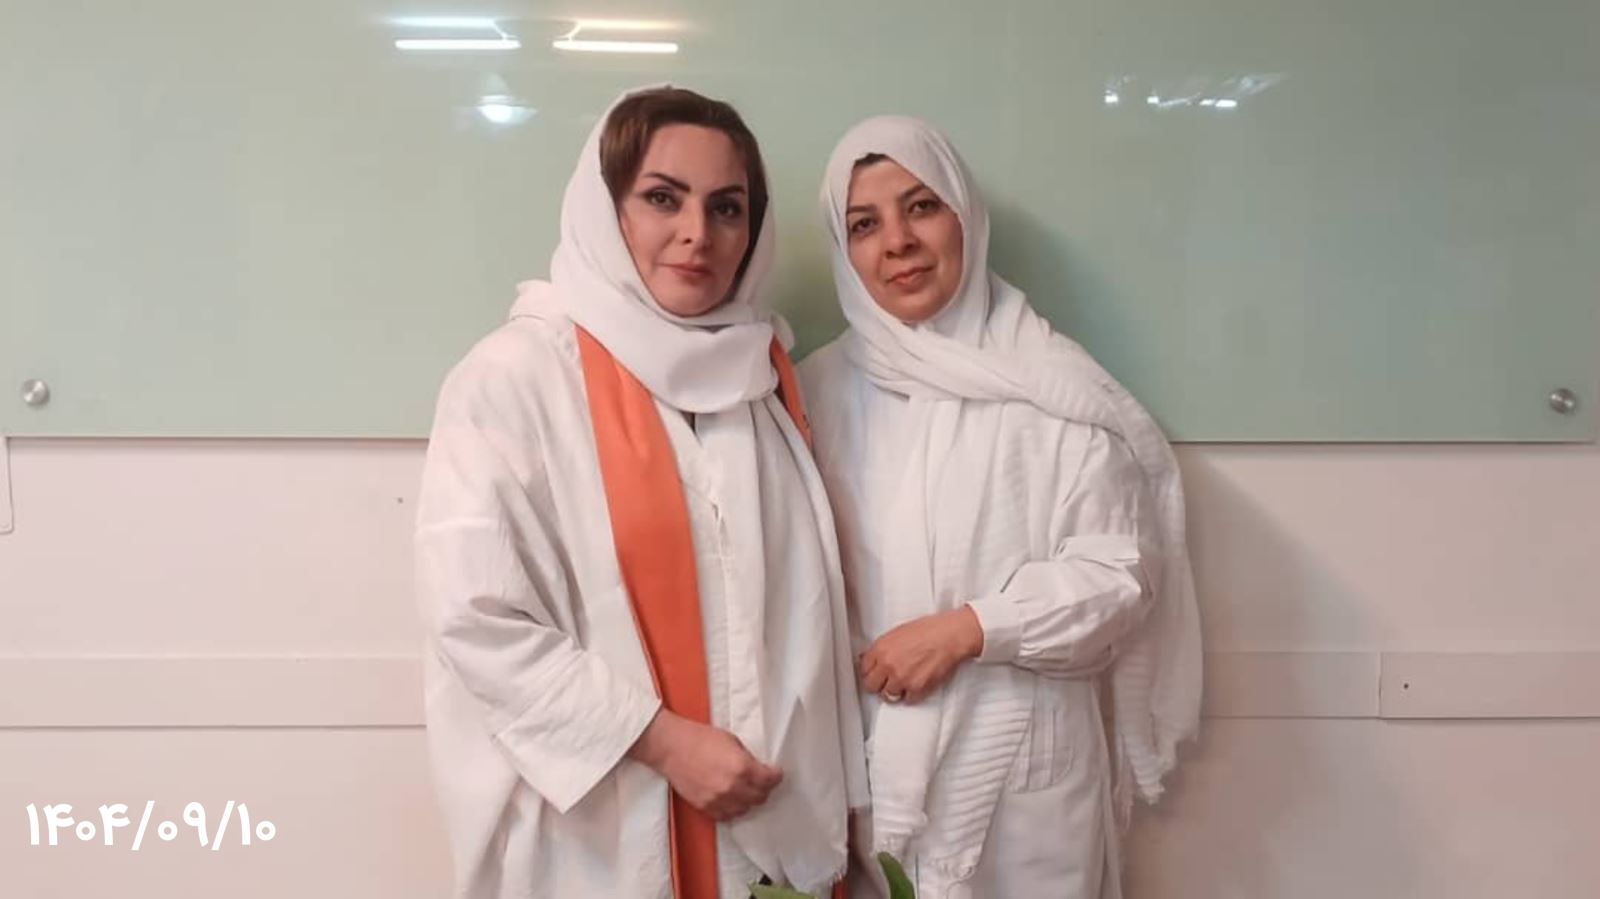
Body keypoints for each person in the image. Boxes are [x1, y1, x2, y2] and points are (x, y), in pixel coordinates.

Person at [415, 85, 867, 899]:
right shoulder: (518, 377)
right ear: (606, 208)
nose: (698, 233)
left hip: (764, 818)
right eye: (663, 198)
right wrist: (664, 742)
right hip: (604, 831)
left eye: (727, 207)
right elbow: (475, 617)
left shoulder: (759, 382)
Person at [798, 116, 1201, 898]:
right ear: (843, 249)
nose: (898, 242)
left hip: (1026, 778)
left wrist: (969, 628)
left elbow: (1119, 577)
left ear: (965, 215)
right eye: (864, 224)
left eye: (921, 206)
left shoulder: (1051, 385)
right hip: (874, 776)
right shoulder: (814, 393)